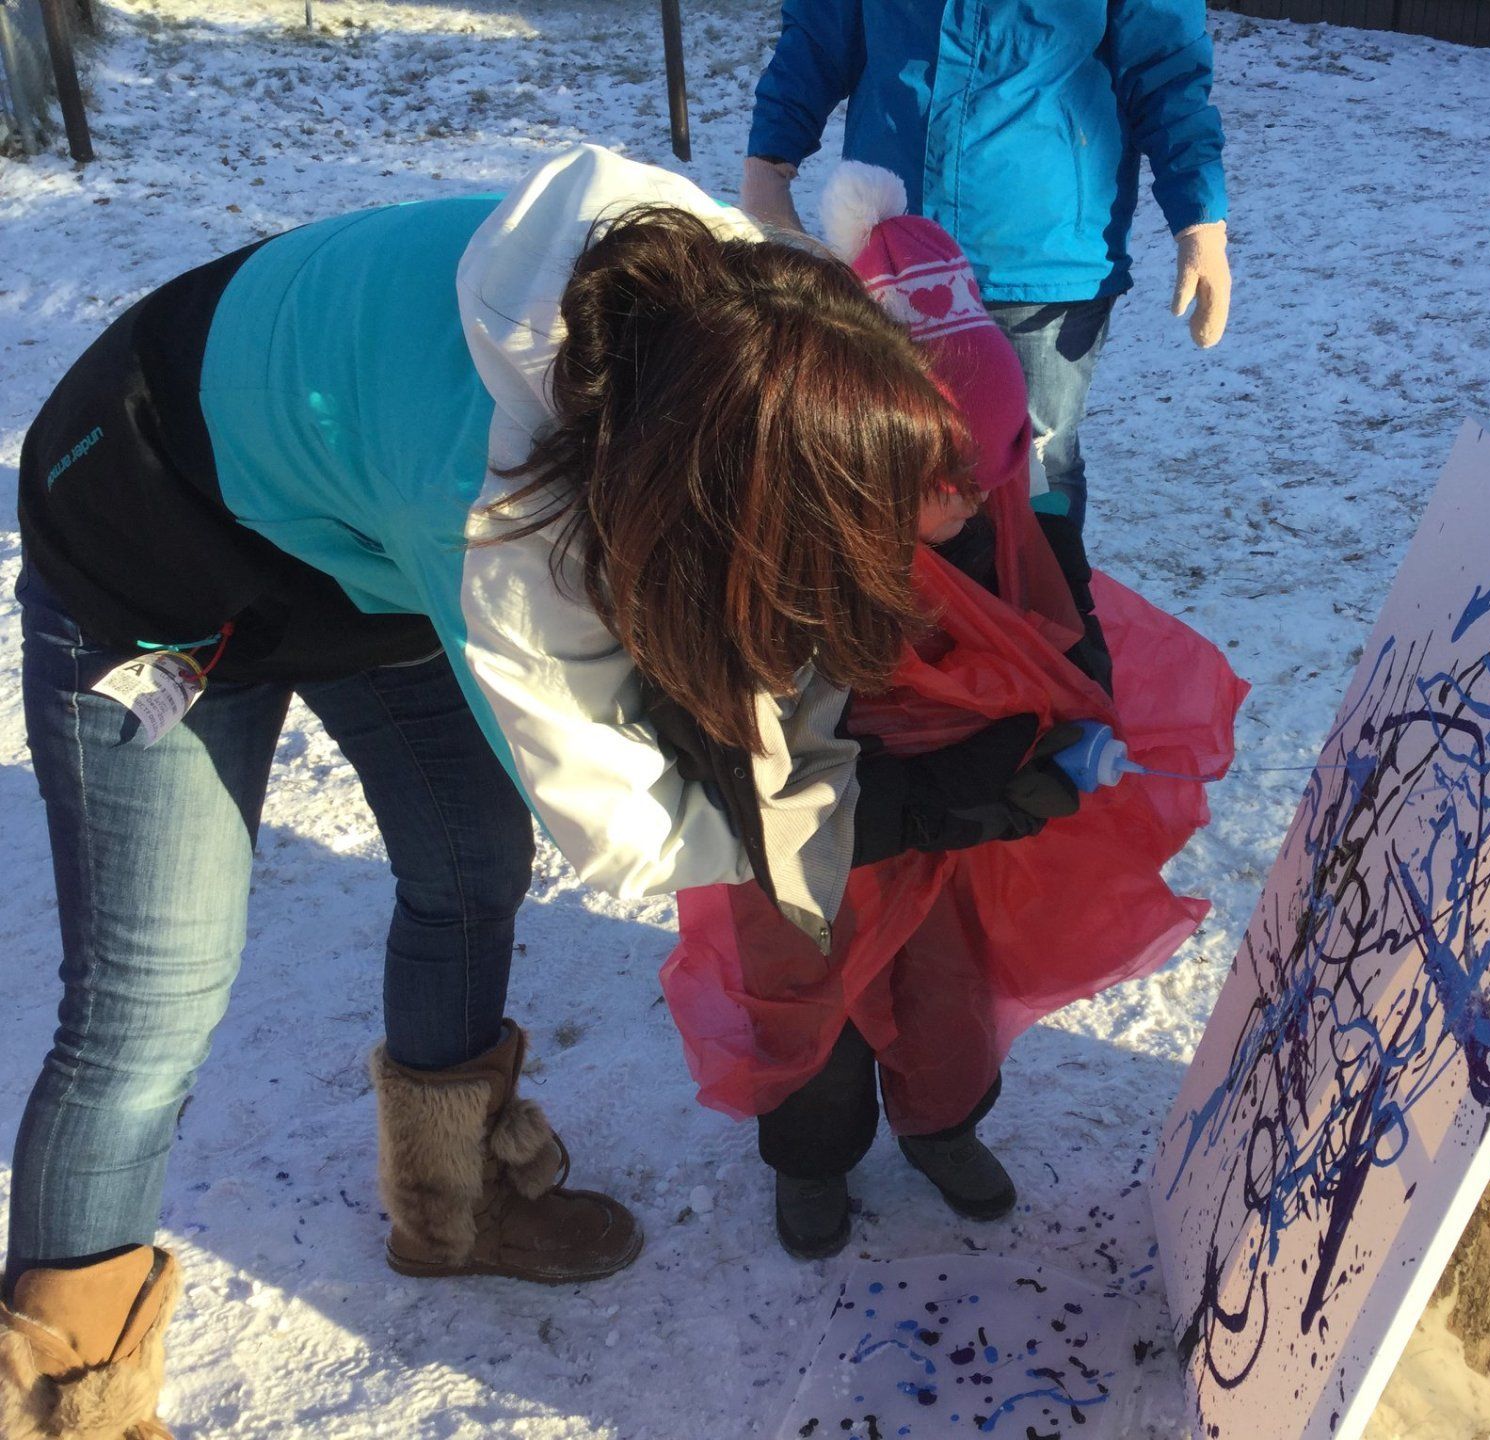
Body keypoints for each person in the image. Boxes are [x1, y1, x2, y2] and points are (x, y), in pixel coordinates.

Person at [0, 145, 1072, 1438]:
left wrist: (848, 756)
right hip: (143, 539)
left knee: (465, 859)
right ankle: (68, 1407)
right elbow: (626, 833)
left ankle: (451, 1211)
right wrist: (881, 820)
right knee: (148, 1005)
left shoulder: (727, 321)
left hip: (356, 546)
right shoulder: (510, 535)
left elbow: (767, 638)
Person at [662, 165, 1245, 1260]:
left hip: (964, 812)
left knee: (944, 995)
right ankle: (815, 1157)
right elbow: (787, 793)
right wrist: (1009, 786)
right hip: (821, 834)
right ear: (858, 455)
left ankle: (941, 1126)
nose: (976, 501)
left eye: (996, 468)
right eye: (946, 480)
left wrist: (1081, 722)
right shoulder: (780, 573)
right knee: (812, 1017)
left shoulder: (1008, 512)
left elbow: (1068, 624)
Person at [739, 0, 1232, 533]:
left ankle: (1047, 610)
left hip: (1042, 256)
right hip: (896, 251)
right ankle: (900, 613)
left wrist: (1199, 214)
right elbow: (819, 31)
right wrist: (769, 159)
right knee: (886, 464)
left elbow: (1165, 62)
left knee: (1034, 470)